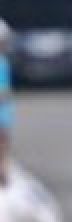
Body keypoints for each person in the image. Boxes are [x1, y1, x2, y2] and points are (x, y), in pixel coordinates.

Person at [0, 18, 14, 184]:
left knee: (3, 141)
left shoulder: (4, 62)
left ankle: (3, 169)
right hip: (3, 107)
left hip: (4, 110)